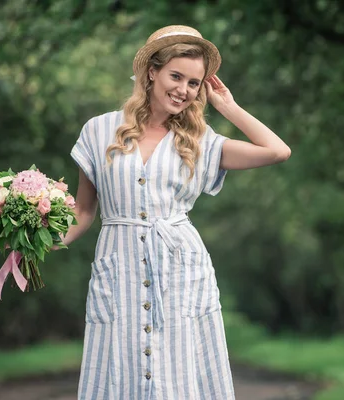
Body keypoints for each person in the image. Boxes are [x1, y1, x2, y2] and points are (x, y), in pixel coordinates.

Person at [65, 25, 291, 400]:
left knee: (181, 373)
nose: (183, 90)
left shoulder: (201, 142)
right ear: (152, 71)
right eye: (176, 76)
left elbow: (277, 151)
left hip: (181, 270)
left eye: (193, 82)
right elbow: (84, 211)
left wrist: (228, 107)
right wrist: (41, 242)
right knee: (118, 368)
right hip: (117, 266)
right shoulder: (99, 130)